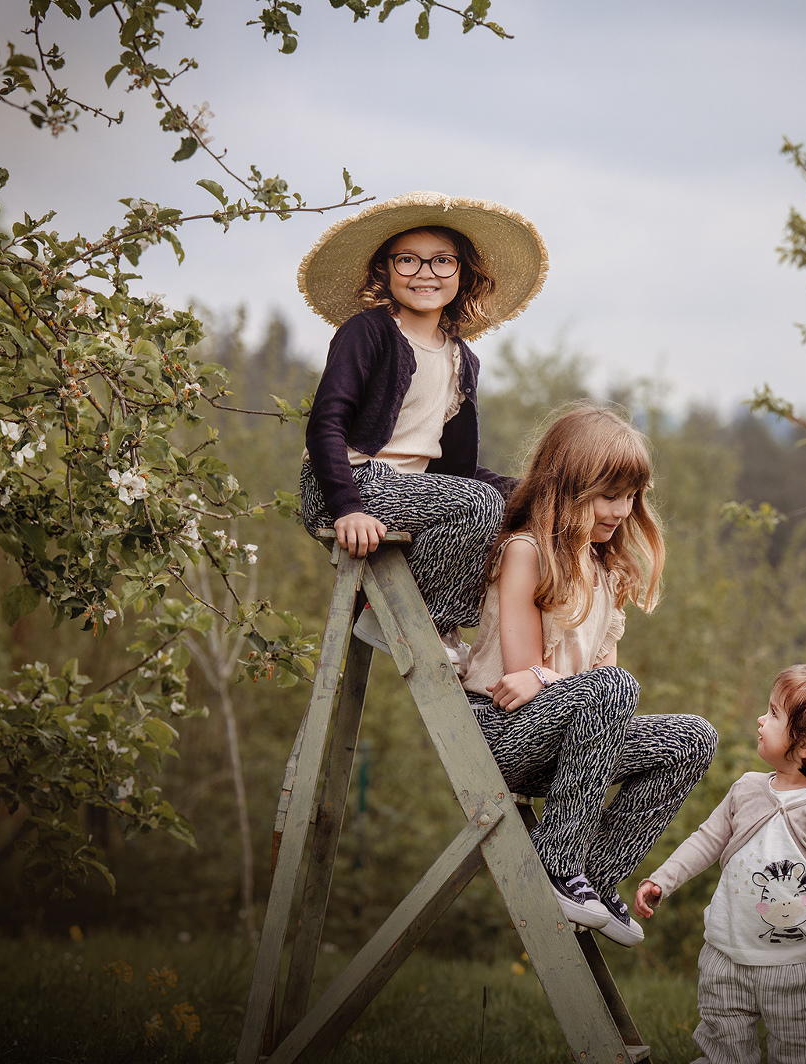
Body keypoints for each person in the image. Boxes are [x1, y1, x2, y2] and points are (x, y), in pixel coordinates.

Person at [461, 405, 718, 947]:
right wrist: (557, 681)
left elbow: (593, 683)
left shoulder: (607, 571)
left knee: (693, 738)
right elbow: (518, 677)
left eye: (632, 498)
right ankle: (557, 862)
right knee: (615, 687)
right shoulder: (525, 553)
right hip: (506, 732)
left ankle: (595, 879)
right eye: (609, 496)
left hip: (572, 742)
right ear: (568, 489)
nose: (622, 511)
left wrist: (558, 682)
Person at [297, 192, 548, 662]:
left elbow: (454, 469)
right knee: (478, 504)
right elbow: (325, 425)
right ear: (385, 270)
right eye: (408, 260)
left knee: (522, 507)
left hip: (416, 491)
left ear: (463, 274)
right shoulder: (368, 333)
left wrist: (531, 493)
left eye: (441, 262)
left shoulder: (461, 359)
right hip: (349, 485)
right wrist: (346, 507)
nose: (425, 274)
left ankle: (468, 634)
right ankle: (420, 622)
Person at [634, 659, 806, 1064]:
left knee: (798, 1056)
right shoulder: (747, 788)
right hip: (724, 957)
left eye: (772, 714)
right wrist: (663, 879)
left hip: (796, 968)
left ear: (805, 746)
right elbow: (706, 840)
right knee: (723, 1053)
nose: (760, 719)